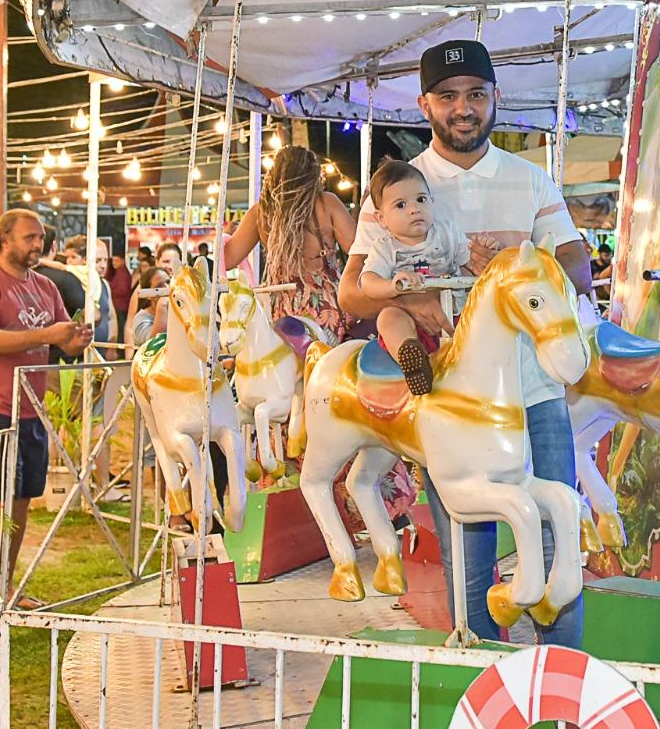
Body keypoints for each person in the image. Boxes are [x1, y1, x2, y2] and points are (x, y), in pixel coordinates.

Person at [338, 39, 595, 648]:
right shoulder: (399, 185)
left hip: (536, 388)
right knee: (468, 543)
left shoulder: (531, 179)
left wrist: (514, 256)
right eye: (448, 97)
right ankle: (483, 681)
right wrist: (404, 299)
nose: (463, 108)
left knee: (560, 534)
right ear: (426, 105)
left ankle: (566, 681)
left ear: (494, 100)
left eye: (475, 95)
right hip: (452, 396)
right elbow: (352, 292)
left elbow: (577, 267)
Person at [0, 209, 93, 593]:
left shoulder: (45, 287)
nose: (39, 245)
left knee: (20, 503)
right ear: (3, 238)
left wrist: (73, 338)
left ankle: (3, 588)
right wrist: (46, 334)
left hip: (31, 406)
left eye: (40, 238)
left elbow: (60, 337)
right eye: (29, 237)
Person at [222, 145, 358, 339]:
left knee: (286, 364)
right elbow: (357, 249)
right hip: (326, 305)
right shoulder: (327, 203)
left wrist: (223, 237)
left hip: (281, 307)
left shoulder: (260, 213)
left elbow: (227, 260)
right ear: (313, 173)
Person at [358, 159, 469, 394]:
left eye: (421, 200)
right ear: (381, 219)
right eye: (400, 205)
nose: (414, 209)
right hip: (411, 322)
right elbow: (368, 281)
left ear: (431, 201)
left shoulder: (447, 233)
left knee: (477, 316)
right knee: (388, 317)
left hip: (454, 316)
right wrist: (392, 285)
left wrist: (483, 249)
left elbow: (470, 260)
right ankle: (411, 359)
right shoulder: (385, 248)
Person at [34, 227, 87, 363]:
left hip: (24, 359)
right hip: (61, 361)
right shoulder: (66, 279)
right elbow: (89, 315)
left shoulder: (15, 278)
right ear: (54, 246)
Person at [63, 234, 114, 347]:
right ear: (86, 260)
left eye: (105, 260)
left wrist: (112, 346)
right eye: (98, 260)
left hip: (102, 350)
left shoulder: (104, 284)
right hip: (80, 351)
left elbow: (111, 317)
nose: (103, 265)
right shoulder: (70, 284)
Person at [109, 253, 134, 342]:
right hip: (120, 306)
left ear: (123, 261)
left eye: (117, 260)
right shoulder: (120, 272)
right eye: (113, 261)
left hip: (120, 306)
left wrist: (109, 289)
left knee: (120, 330)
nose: (114, 263)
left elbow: (123, 290)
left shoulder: (122, 273)